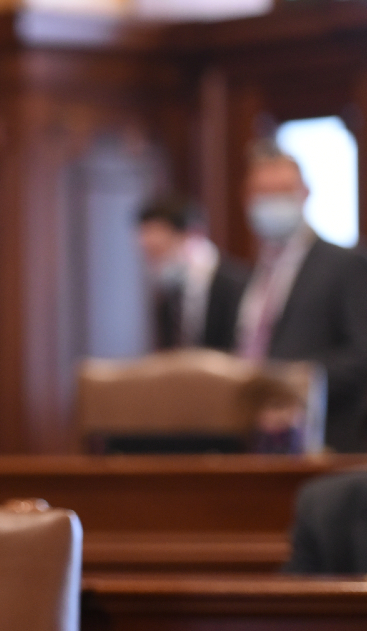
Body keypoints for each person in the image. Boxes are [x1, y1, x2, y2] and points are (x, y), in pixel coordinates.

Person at [236, 141, 367, 453]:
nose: (272, 202)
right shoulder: (249, 275)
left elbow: (361, 354)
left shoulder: (344, 265)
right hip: (254, 440)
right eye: (262, 193)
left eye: (282, 191)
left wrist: (291, 384)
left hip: (325, 442)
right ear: (246, 199)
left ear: (304, 193)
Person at [136, 196, 248, 351]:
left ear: (191, 235)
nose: (155, 264)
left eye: (159, 251)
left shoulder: (237, 283)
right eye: (149, 254)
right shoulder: (169, 293)